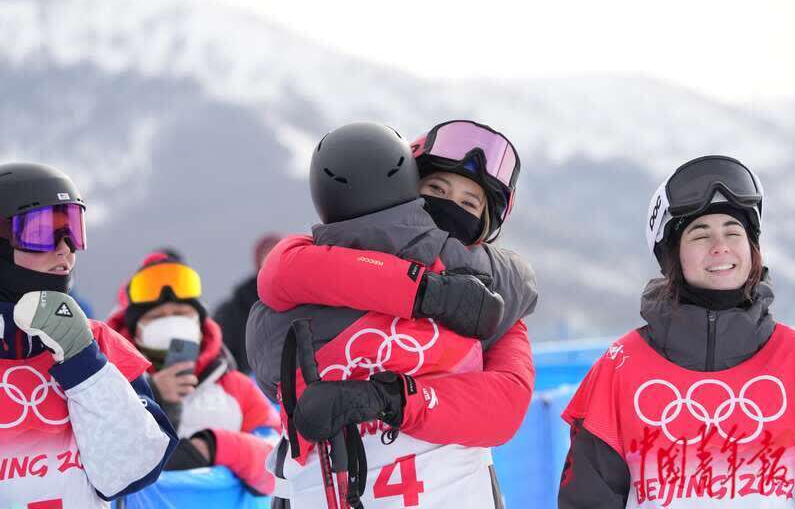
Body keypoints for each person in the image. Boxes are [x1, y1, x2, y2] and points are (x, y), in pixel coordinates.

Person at [247, 121, 537, 508]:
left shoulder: (493, 304)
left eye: (470, 204)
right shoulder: (326, 260)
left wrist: (386, 398)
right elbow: (281, 281)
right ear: (405, 190)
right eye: (436, 189)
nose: (450, 206)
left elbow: (504, 407)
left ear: (484, 226)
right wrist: (426, 292)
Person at [558, 155, 795, 508]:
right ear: (674, 257)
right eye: (700, 234)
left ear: (752, 250)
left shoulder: (793, 358)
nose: (720, 246)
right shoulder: (621, 367)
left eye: (734, 231)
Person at [0, 161, 178, 508]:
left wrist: (84, 362)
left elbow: (131, 470)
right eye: (40, 232)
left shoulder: (100, 343)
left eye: (72, 230)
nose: (65, 248)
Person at [106, 253, 282, 495]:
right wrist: (152, 397)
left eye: (180, 313)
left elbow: (278, 466)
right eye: (156, 317)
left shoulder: (235, 387)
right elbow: (102, 460)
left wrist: (213, 447)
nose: (170, 323)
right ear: (135, 331)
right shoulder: (109, 388)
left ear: (200, 326)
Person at [214, 233, 282, 373]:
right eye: (268, 258)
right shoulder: (233, 312)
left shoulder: (308, 301)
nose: (274, 265)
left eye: (280, 257)